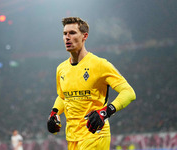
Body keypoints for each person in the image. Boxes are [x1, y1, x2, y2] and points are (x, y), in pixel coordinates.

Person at [47, 17, 136, 150]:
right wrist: (54, 112)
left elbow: (129, 92)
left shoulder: (100, 64)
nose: (67, 37)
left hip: (95, 135)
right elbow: (63, 96)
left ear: (84, 36)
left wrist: (105, 112)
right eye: (65, 34)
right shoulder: (61, 69)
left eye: (72, 33)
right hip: (72, 138)